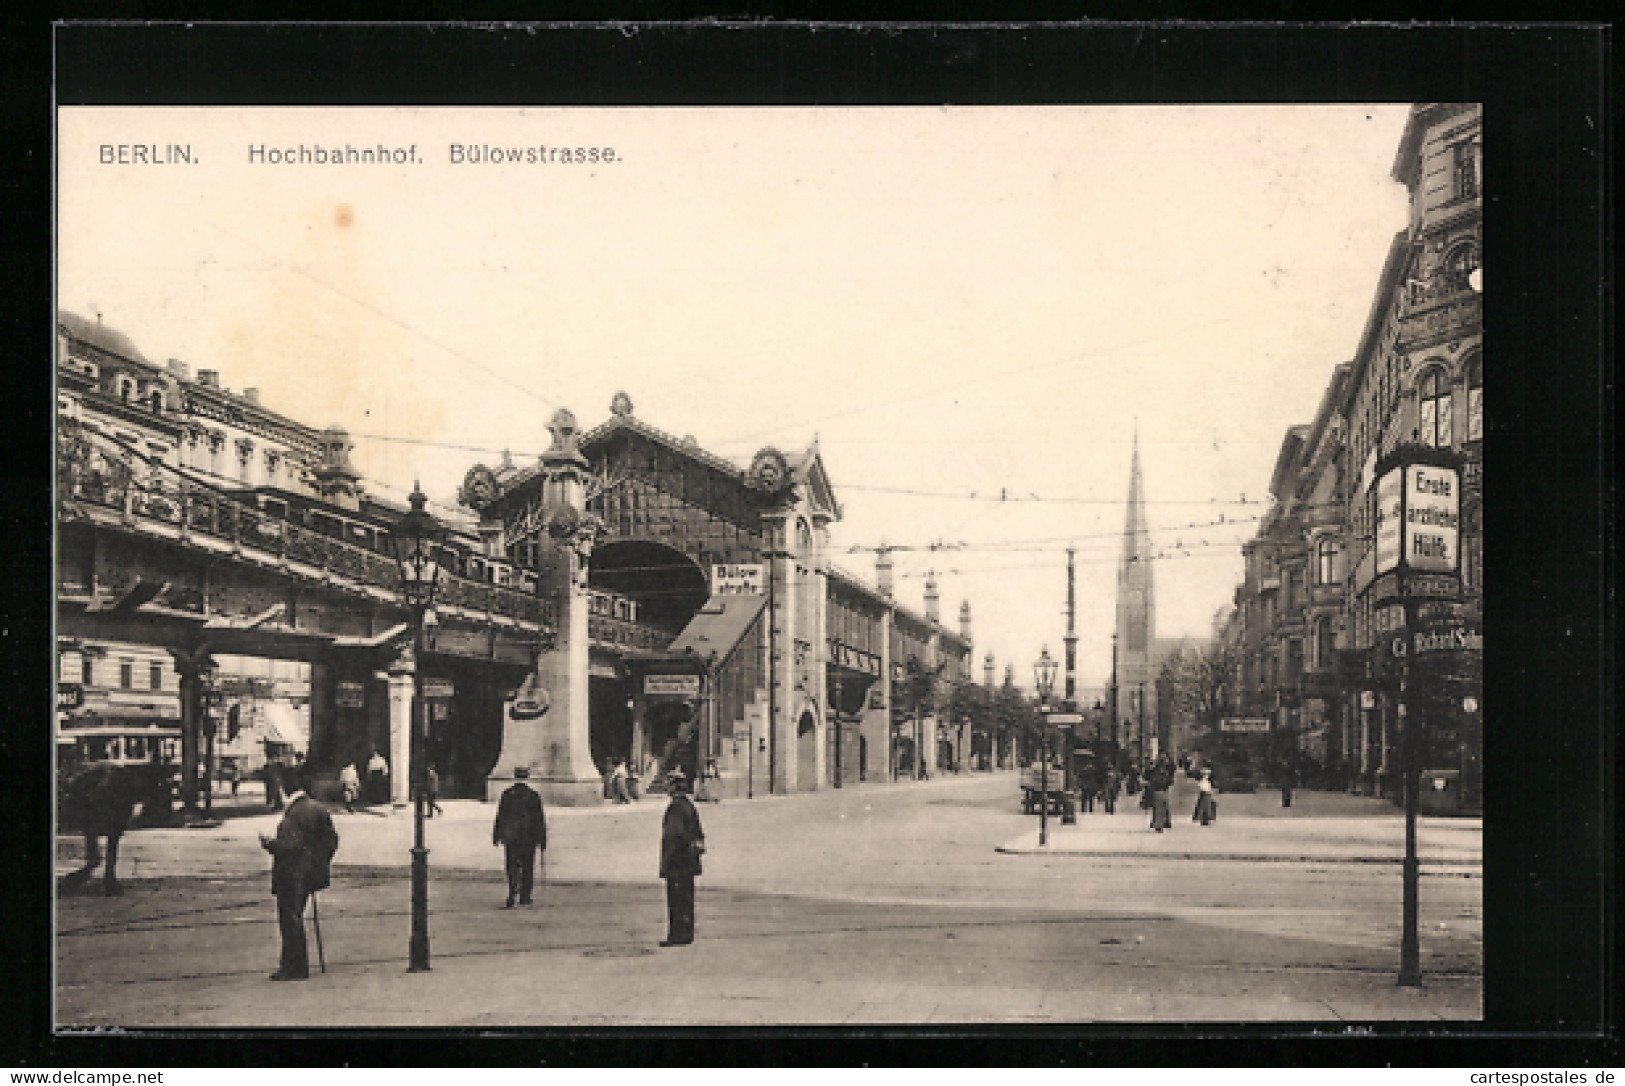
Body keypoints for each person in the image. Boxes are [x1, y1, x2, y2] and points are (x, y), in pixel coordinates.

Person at [258, 776, 339, 981]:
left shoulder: (293, 814)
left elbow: (289, 846)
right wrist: (320, 862)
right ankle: (293, 965)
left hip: (291, 873)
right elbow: (332, 840)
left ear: (285, 792)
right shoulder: (318, 809)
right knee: (296, 915)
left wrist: (269, 844)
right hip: (311, 872)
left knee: (290, 918)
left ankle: (294, 966)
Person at [658, 767, 705, 947]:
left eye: (668, 784)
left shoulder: (676, 808)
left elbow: (673, 837)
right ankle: (686, 932)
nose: (666, 787)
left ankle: (677, 935)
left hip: (677, 862)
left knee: (677, 899)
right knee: (686, 898)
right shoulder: (688, 805)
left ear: (674, 787)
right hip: (688, 862)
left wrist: (666, 864)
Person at [493, 765, 546, 908]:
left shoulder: (507, 794)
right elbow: (539, 819)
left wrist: (497, 835)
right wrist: (542, 839)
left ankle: (512, 890)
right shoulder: (533, 795)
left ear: (515, 777)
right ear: (527, 777)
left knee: (512, 865)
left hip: (511, 837)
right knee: (528, 866)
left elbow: (501, 816)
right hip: (528, 837)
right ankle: (525, 896)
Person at [1147, 758, 1174, 833]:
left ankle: (1158, 824)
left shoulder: (1154, 772)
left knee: (1158, 808)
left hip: (1157, 791)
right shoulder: (1165, 772)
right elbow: (1170, 781)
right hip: (1163, 791)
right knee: (1163, 807)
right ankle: (1162, 823)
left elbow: (1151, 780)